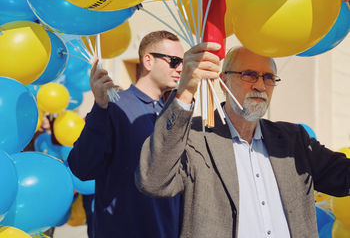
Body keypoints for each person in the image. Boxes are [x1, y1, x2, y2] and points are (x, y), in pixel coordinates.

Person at [136, 44, 350, 238]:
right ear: (223, 80)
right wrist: (185, 92)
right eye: (249, 75)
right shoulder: (195, 138)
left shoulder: (294, 141)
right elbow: (154, 181)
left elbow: (344, 177)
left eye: (268, 77)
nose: (260, 85)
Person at [68, 30, 184, 238]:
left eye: (183, 62)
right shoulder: (114, 105)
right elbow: (82, 167)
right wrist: (100, 108)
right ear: (148, 61)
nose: (181, 68)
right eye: (174, 61)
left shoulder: (172, 111)